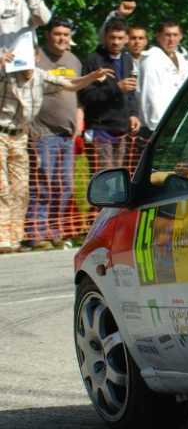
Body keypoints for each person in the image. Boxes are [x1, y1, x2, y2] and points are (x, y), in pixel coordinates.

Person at [0, 49, 112, 253]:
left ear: (36, 58)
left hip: (20, 136)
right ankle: (2, 239)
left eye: (31, 57)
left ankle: (14, 238)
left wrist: (92, 77)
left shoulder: (41, 75)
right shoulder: (6, 74)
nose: (27, 62)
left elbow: (70, 84)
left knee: (21, 188)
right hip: (1, 134)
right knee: (2, 187)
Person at [26, 18, 83, 249]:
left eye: (66, 34)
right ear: (48, 35)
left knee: (65, 186)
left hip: (67, 135)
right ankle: (36, 233)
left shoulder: (74, 60)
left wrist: (78, 120)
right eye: (57, 34)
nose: (62, 38)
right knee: (43, 184)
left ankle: (56, 231)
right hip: (43, 132)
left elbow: (78, 96)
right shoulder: (36, 57)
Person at [79, 19, 140, 171]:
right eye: (112, 38)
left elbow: (130, 92)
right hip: (100, 129)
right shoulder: (93, 60)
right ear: (105, 37)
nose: (116, 42)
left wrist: (133, 114)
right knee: (104, 176)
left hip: (122, 128)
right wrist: (116, 88)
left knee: (119, 176)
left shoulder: (127, 59)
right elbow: (86, 96)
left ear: (126, 39)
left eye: (120, 38)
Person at [138, 19, 188, 134]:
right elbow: (150, 96)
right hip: (157, 127)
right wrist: (158, 127)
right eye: (167, 35)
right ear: (158, 36)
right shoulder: (151, 59)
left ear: (181, 36)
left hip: (179, 123)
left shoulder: (183, 58)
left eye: (175, 35)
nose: (171, 39)